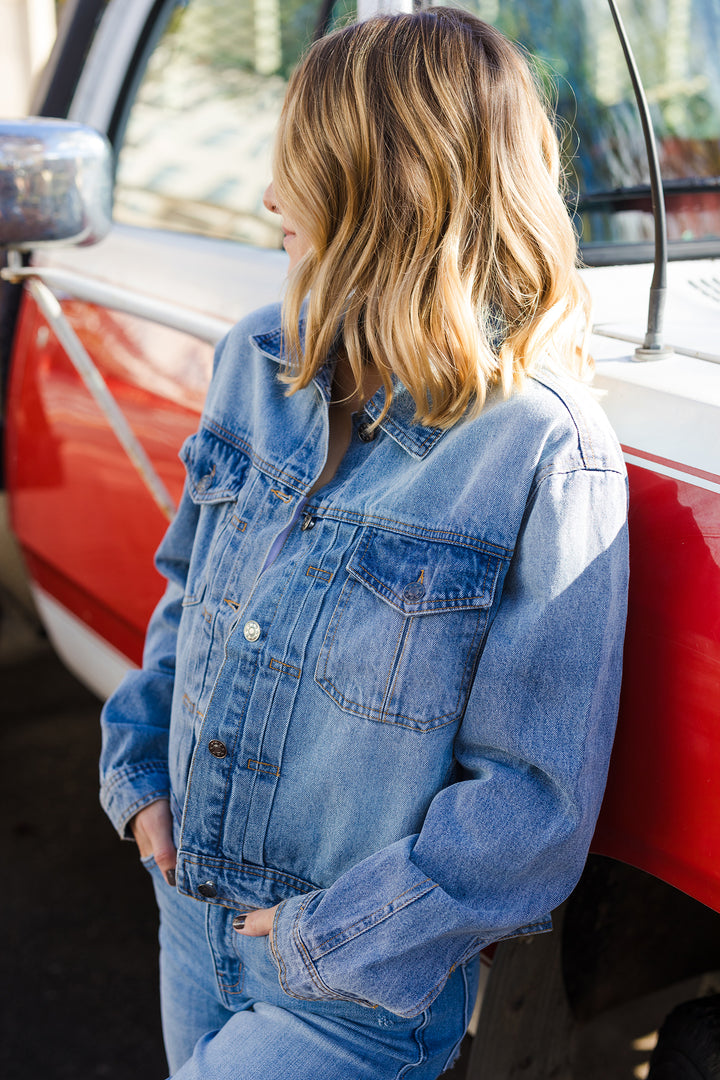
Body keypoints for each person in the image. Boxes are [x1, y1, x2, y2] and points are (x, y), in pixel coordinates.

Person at [99, 8, 629, 1078]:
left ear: (386, 193)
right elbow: (185, 589)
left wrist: (320, 939)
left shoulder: (540, 449)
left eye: (299, 165)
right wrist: (139, 766)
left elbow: (532, 808)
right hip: (188, 914)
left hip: (353, 994)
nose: (268, 199)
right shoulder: (259, 355)